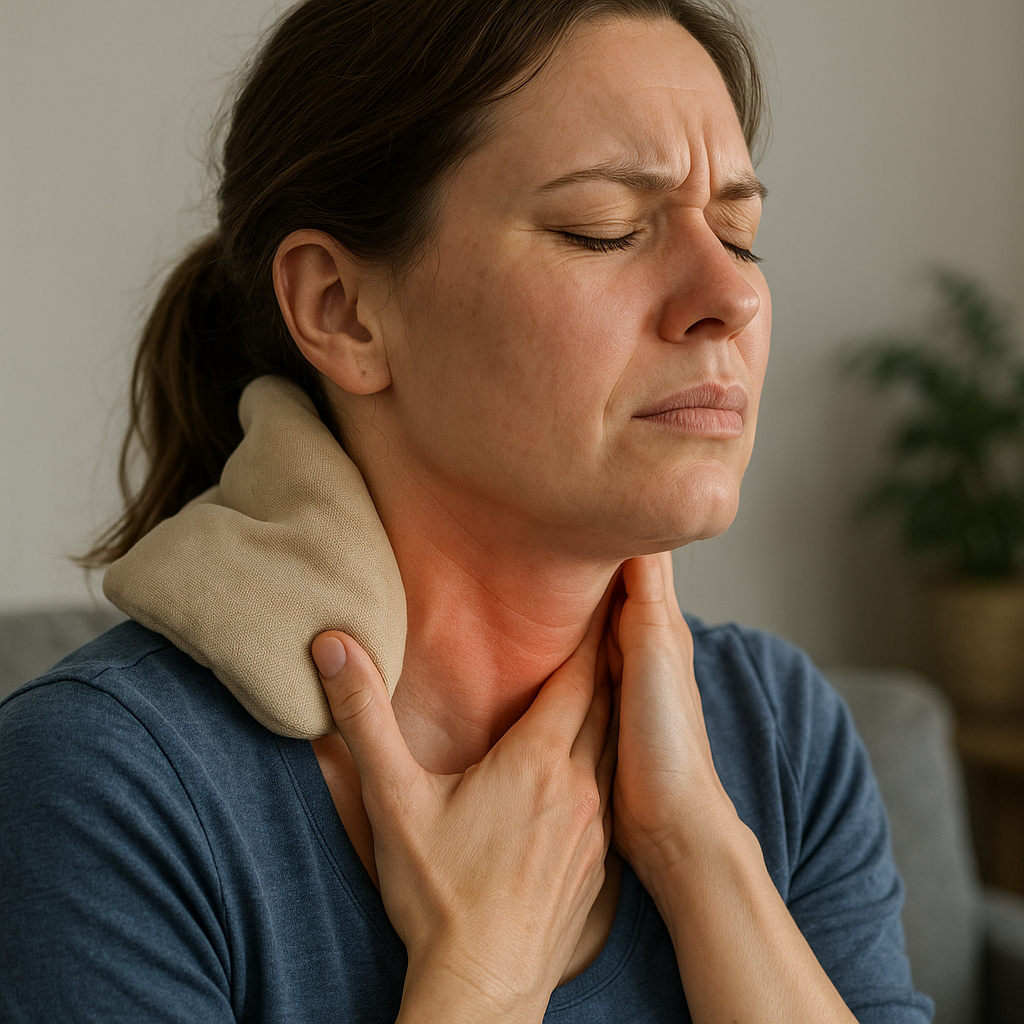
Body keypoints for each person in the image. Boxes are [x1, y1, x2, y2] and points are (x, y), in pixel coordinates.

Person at [0, 1, 933, 1021]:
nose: (731, 296)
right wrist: (478, 979)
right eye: (604, 230)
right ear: (341, 309)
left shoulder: (780, 731)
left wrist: (703, 857)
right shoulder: (103, 789)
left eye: (740, 235)